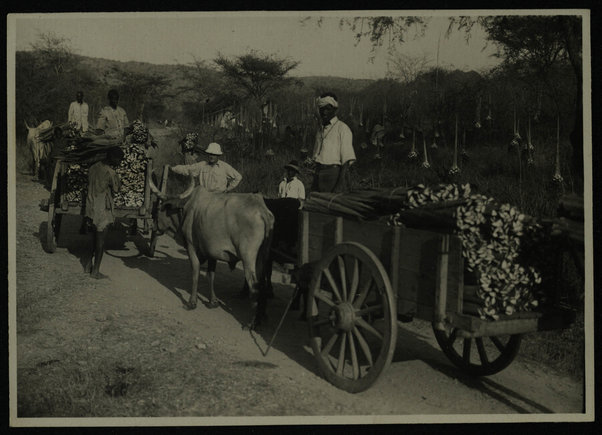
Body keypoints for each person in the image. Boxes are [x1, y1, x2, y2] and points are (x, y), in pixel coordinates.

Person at [83, 146, 124, 279]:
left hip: (90, 206)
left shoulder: (93, 167)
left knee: (93, 238)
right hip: (102, 209)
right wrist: (120, 181)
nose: (120, 163)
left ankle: (88, 266)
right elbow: (117, 189)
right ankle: (95, 271)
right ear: (114, 158)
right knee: (100, 241)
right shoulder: (110, 172)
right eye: (119, 160)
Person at [311, 92, 356, 192]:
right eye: (321, 109)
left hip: (333, 175)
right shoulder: (320, 130)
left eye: (328, 109)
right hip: (318, 174)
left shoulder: (342, 128)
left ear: (335, 110)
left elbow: (346, 160)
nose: (324, 112)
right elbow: (316, 156)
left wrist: (339, 184)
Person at [169, 142, 242, 193]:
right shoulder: (202, 165)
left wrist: (227, 189)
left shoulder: (224, 166)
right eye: (210, 154)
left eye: (214, 154)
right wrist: (172, 168)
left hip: (219, 198)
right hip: (205, 197)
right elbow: (187, 169)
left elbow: (238, 177)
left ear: (218, 155)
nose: (211, 156)